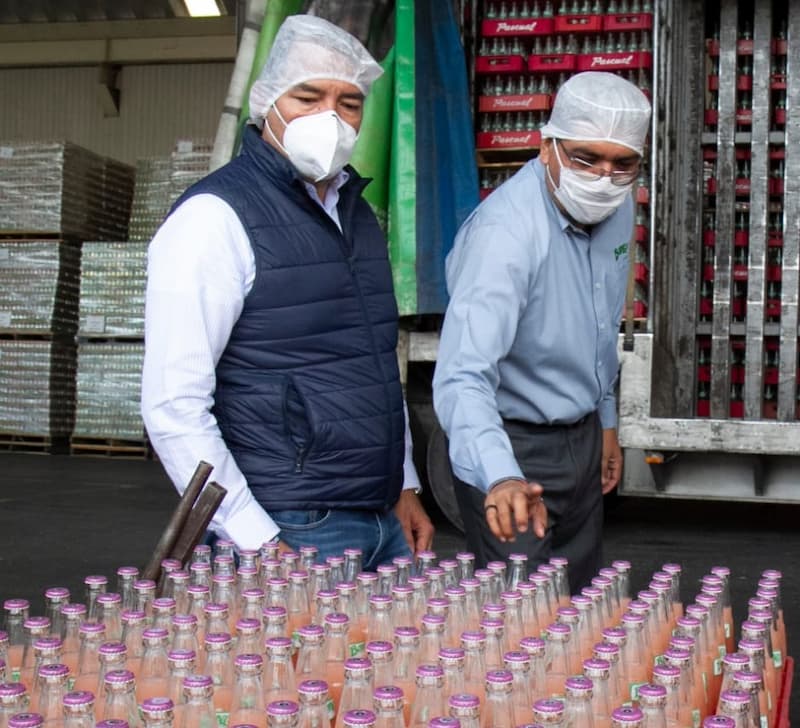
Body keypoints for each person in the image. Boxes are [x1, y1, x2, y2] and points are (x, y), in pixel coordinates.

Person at [141, 14, 433, 568]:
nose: (331, 117)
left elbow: (369, 359)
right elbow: (174, 406)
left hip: (377, 516)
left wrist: (404, 485)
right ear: (266, 102)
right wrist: (252, 536)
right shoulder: (215, 217)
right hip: (286, 523)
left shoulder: (357, 214)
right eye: (308, 96)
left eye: (349, 103)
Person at [432, 72, 651, 594]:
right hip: (514, 446)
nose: (604, 178)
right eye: (585, 158)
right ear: (547, 146)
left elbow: (601, 327)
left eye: (623, 164)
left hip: (580, 441)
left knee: (582, 606)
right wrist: (500, 475)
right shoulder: (504, 235)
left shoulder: (616, 209)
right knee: (525, 624)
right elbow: (462, 375)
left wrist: (606, 421)